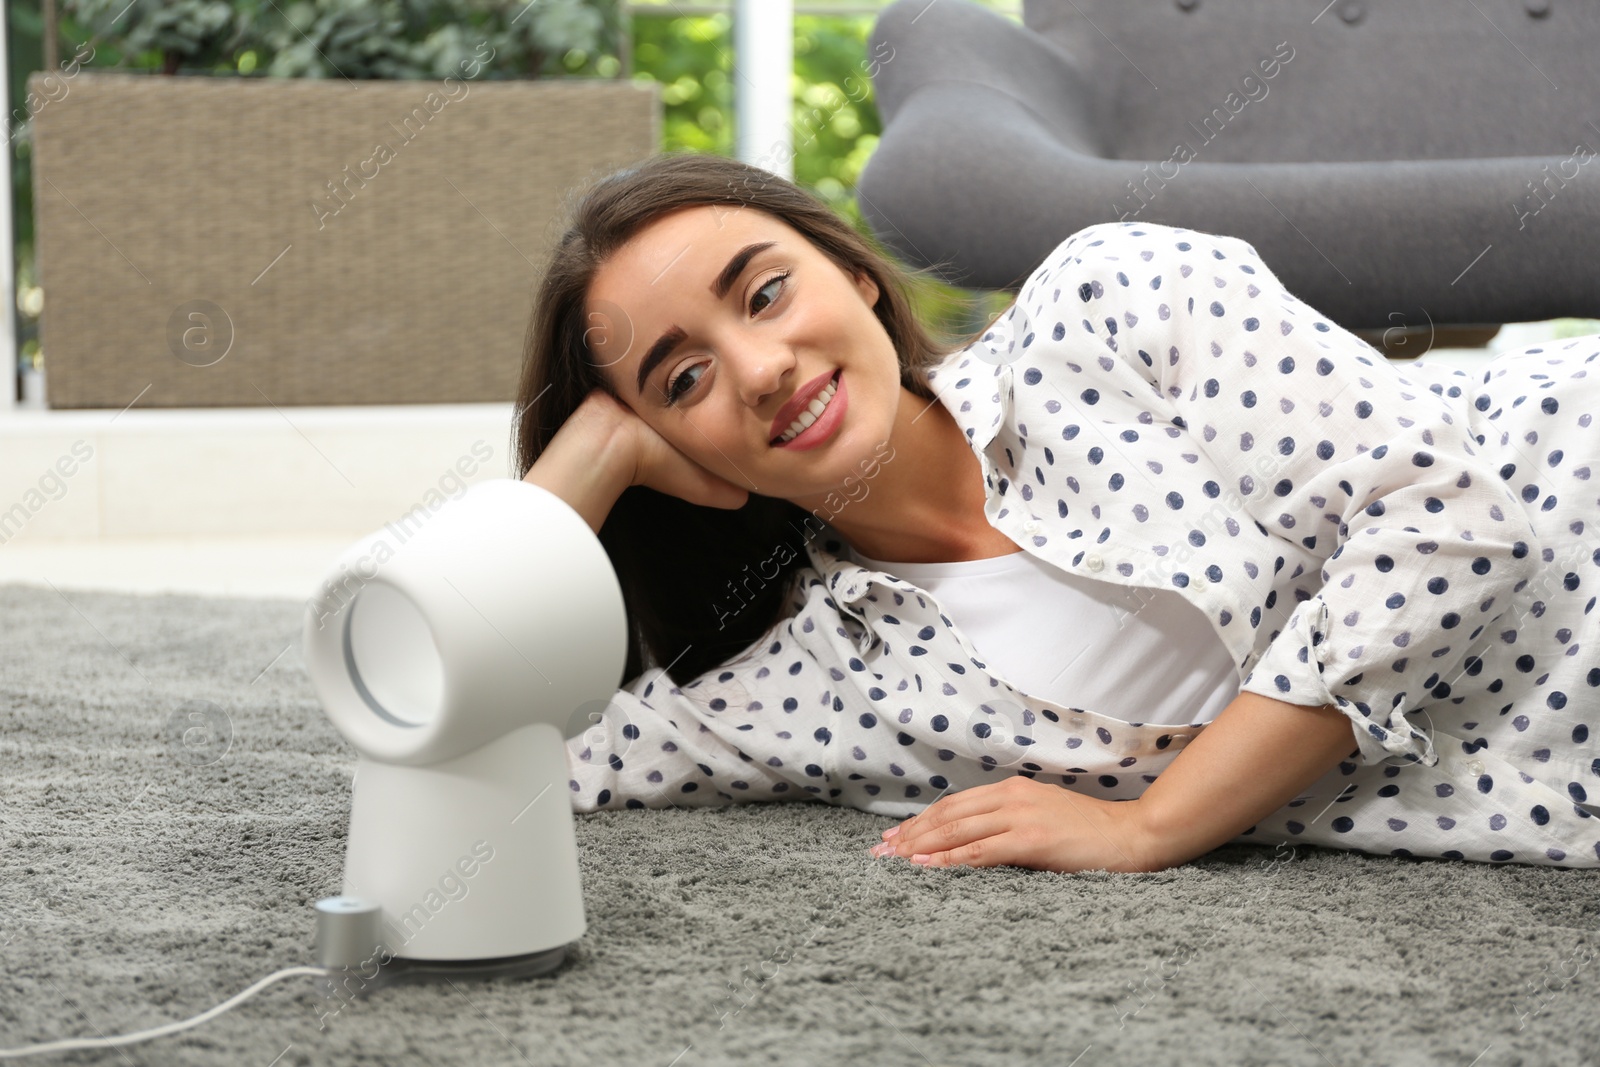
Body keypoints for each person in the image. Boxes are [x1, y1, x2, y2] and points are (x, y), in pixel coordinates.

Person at [514, 151, 1600, 874]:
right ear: (680, 458)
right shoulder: (804, 683)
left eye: (763, 293)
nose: (757, 368)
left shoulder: (1108, 296)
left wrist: (1153, 825)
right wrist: (590, 457)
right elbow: (474, 739)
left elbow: (1448, 526)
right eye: (681, 381)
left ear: (854, 273)